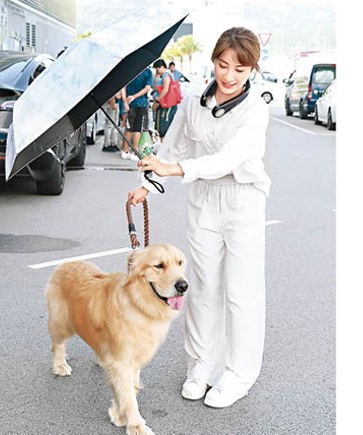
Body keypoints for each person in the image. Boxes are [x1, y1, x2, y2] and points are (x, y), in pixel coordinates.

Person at [128, 27, 270, 409]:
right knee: (201, 288)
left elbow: (227, 160)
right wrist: (148, 182)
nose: (229, 75)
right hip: (204, 200)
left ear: (251, 70)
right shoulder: (193, 100)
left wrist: (173, 168)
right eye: (223, 65)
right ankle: (201, 365)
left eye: (239, 69)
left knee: (241, 292)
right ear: (214, 61)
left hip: (243, 200)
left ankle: (239, 373)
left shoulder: (257, 108)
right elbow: (171, 147)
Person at [122, 67, 153, 160]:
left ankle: (124, 151)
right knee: (137, 128)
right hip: (141, 103)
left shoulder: (129, 70)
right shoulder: (147, 72)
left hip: (129, 103)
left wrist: (125, 102)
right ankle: (134, 152)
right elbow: (147, 87)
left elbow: (123, 87)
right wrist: (135, 96)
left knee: (128, 127)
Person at [151, 59, 179, 139]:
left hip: (167, 105)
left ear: (162, 67)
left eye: (157, 69)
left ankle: (163, 147)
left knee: (163, 128)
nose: (157, 71)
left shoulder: (166, 75)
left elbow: (165, 89)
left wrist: (157, 101)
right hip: (168, 104)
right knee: (163, 127)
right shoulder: (167, 75)